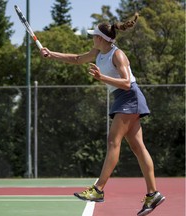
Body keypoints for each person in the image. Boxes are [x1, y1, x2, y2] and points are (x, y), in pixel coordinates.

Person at [40, 13, 165, 216]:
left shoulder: (118, 55)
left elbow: (126, 82)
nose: (92, 38)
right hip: (123, 99)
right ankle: (153, 193)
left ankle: (98, 190)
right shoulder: (98, 53)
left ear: (101, 38)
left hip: (129, 97)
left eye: (93, 35)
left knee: (113, 141)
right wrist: (51, 54)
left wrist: (102, 77)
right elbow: (77, 59)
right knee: (137, 147)